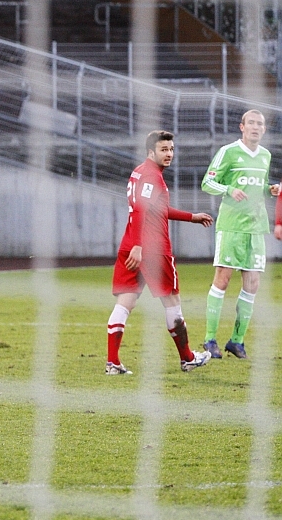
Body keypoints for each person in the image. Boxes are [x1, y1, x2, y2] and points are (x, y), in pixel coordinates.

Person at [106, 130, 214, 375]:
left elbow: (155, 209)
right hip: (152, 250)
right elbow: (143, 209)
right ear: (150, 152)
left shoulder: (139, 172)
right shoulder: (152, 176)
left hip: (131, 244)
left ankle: (112, 362)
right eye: (164, 149)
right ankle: (187, 358)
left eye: (171, 149)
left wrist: (191, 217)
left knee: (125, 303)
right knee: (172, 302)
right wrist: (139, 246)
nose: (169, 154)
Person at [201, 109, 280, 359]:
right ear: (242, 127)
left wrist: (270, 190)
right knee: (223, 279)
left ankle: (237, 341)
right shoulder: (229, 151)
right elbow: (207, 183)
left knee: (253, 284)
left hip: (256, 227)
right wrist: (229, 189)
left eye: (260, 124)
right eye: (251, 123)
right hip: (232, 225)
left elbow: (257, 189)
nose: (256, 127)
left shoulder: (265, 155)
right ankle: (209, 339)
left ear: (264, 130)